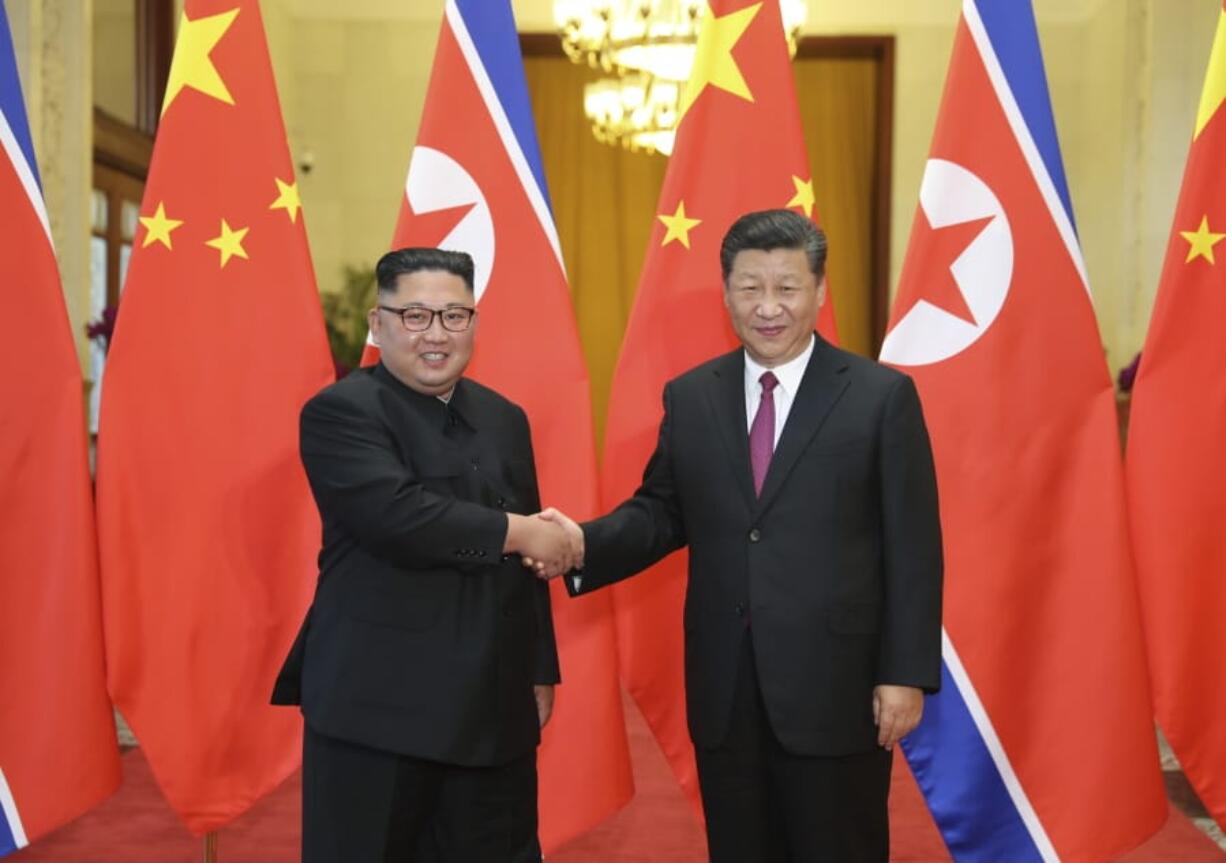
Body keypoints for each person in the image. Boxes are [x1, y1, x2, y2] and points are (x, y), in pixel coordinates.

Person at [537, 209, 943, 862]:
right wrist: (583, 543)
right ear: (726, 293)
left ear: (820, 291)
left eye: (787, 286)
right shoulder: (694, 396)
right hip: (727, 685)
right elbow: (662, 511)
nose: (768, 306)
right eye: (750, 287)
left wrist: (904, 672)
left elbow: (914, 546)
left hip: (836, 685)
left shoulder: (880, 397)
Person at [272, 247, 580, 863]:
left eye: (454, 316)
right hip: (378, 712)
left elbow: (530, 569)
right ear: (376, 323)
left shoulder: (504, 418)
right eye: (415, 316)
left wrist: (538, 666)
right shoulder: (340, 412)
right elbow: (399, 518)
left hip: (493, 711)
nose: (436, 334)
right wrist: (520, 533)